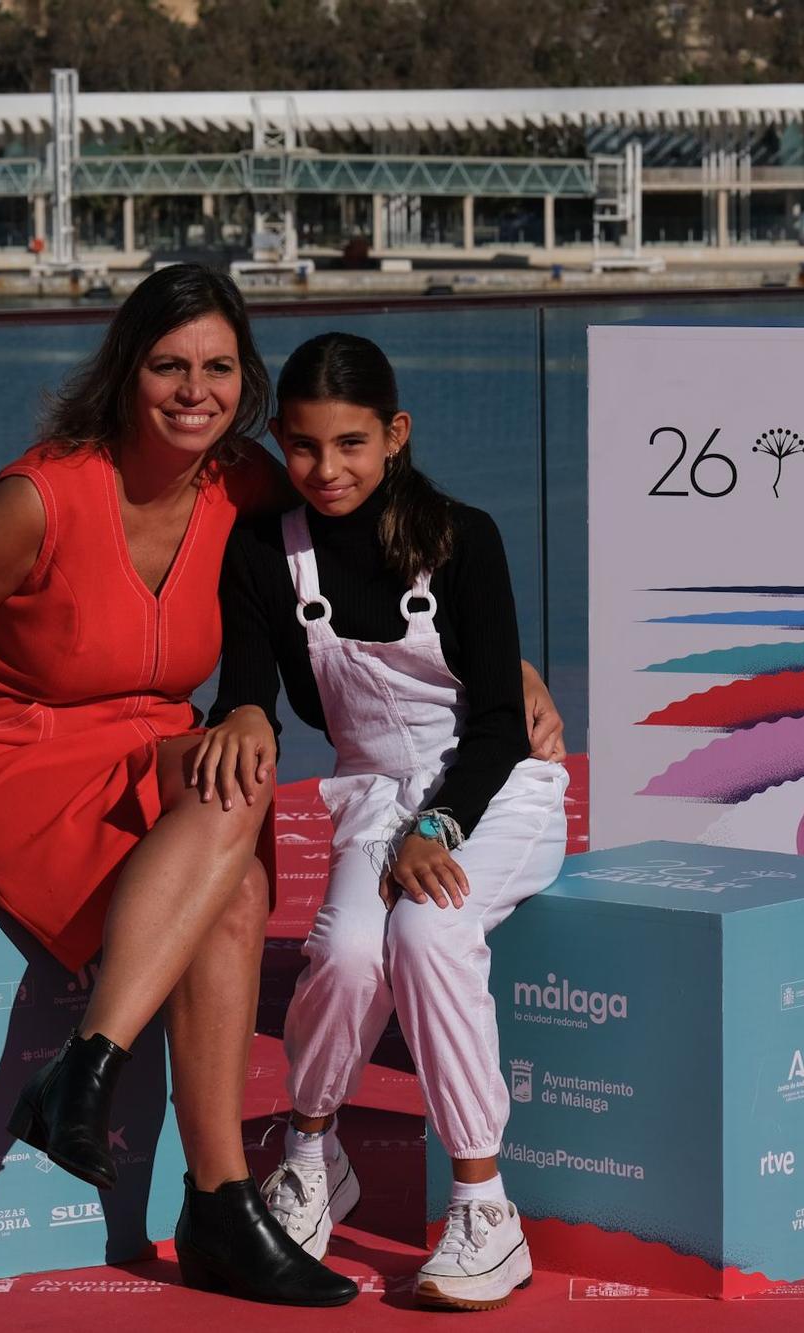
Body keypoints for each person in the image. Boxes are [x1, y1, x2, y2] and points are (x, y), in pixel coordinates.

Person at [0, 267, 563, 1307]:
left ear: (244, 382)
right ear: (125, 372)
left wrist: (502, 666)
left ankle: (212, 1196)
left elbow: (378, 521)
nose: (191, 390)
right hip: (0, 754)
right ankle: (116, 1085)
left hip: (139, 738)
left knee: (239, 869)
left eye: (216, 368)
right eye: (167, 366)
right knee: (240, 804)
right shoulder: (39, 499)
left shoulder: (251, 480)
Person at [196, 332, 569, 1312]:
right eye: (307, 446)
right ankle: (314, 1155)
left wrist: (438, 826)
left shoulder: (464, 537)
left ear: (395, 434)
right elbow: (247, 689)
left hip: (494, 792)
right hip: (369, 797)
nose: (327, 470)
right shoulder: (259, 554)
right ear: (281, 438)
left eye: (352, 444)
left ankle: (485, 1208)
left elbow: (495, 722)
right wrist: (237, 713)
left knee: (426, 927)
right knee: (350, 955)